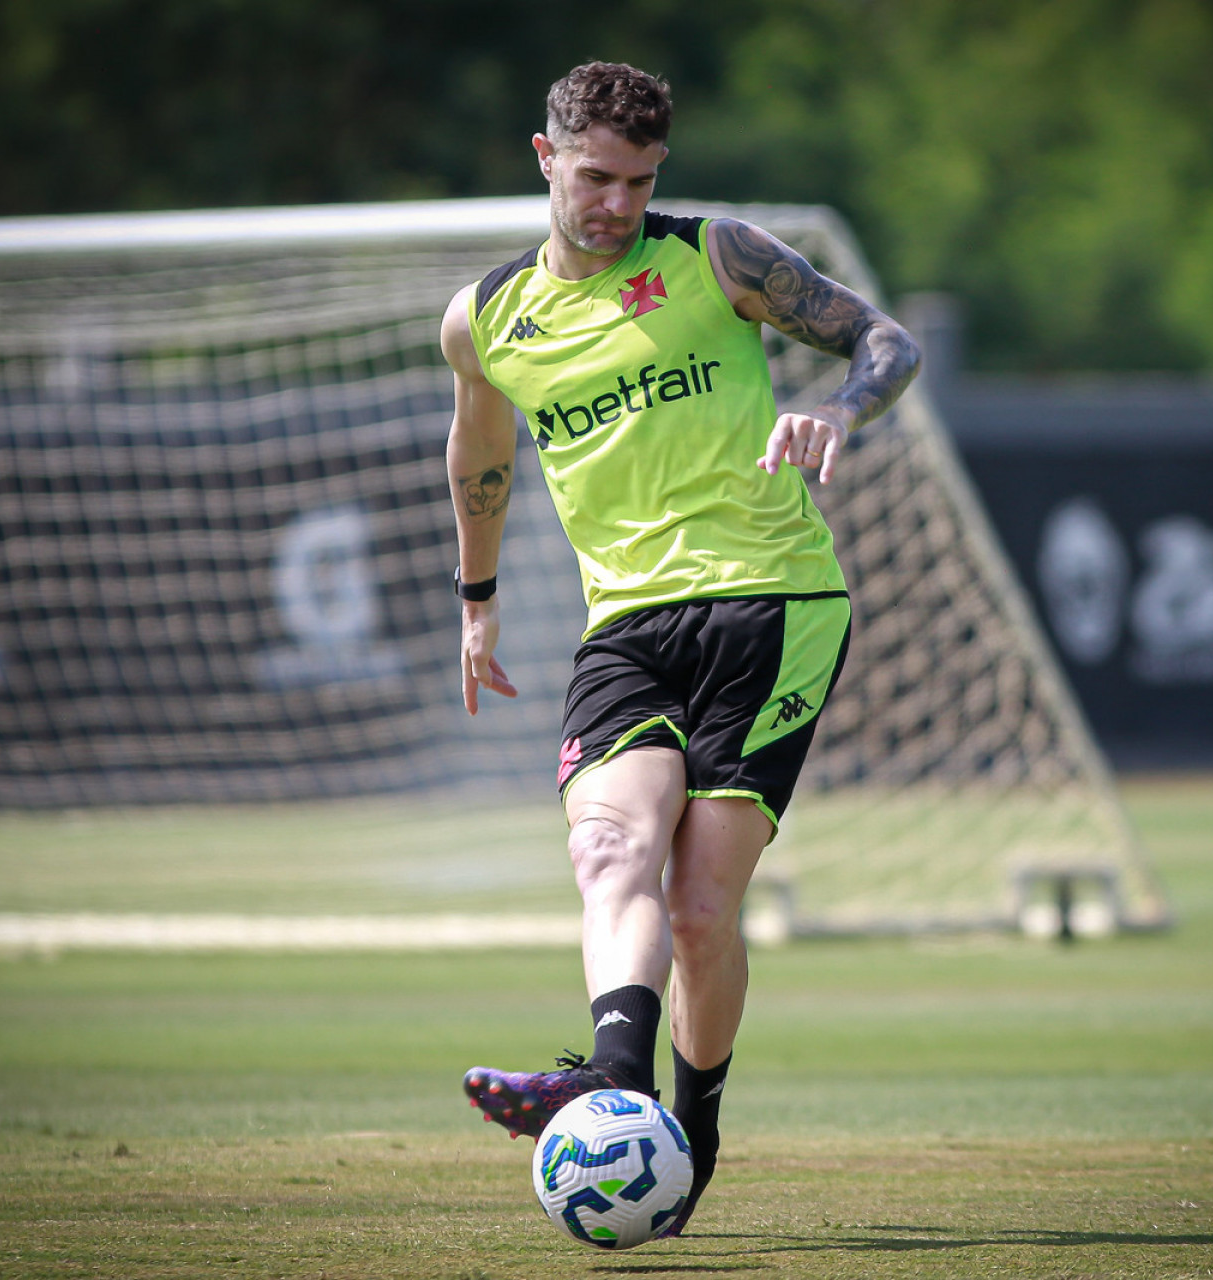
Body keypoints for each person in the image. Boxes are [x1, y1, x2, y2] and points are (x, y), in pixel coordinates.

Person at [440, 61, 919, 1236]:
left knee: (701, 907)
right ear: (546, 158)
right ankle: (613, 1082)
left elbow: (885, 340)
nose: (617, 203)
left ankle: (688, 1135)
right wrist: (477, 598)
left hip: (773, 600)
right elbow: (479, 453)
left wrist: (838, 410)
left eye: (640, 181)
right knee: (611, 848)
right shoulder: (485, 319)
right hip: (624, 625)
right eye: (596, 177)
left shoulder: (718, 257)